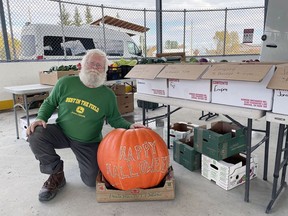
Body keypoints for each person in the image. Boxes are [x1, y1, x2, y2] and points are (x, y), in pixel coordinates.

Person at [27, 49, 146, 202]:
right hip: (61, 132)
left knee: (91, 181)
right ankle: (56, 174)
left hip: (88, 141)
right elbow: (50, 103)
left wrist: (130, 127)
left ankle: (84, 168)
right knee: (35, 134)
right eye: (91, 63)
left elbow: (115, 119)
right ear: (82, 65)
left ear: (105, 70)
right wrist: (40, 117)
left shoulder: (107, 95)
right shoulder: (65, 83)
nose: (95, 67)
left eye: (99, 65)